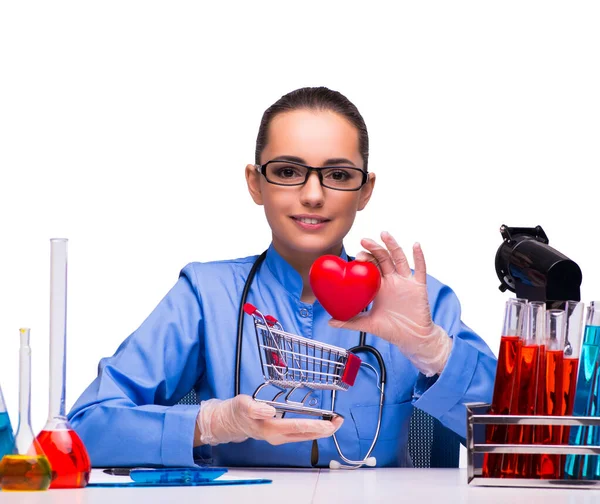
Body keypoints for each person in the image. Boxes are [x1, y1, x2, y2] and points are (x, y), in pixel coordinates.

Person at [68, 86, 497, 468]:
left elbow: (525, 444)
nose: (312, 195)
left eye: (338, 175)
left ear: (365, 190)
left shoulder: (420, 302)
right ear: (256, 183)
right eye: (289, 172)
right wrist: (210, 423)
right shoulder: (206, 296)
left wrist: (436, 353)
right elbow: (84, 430)